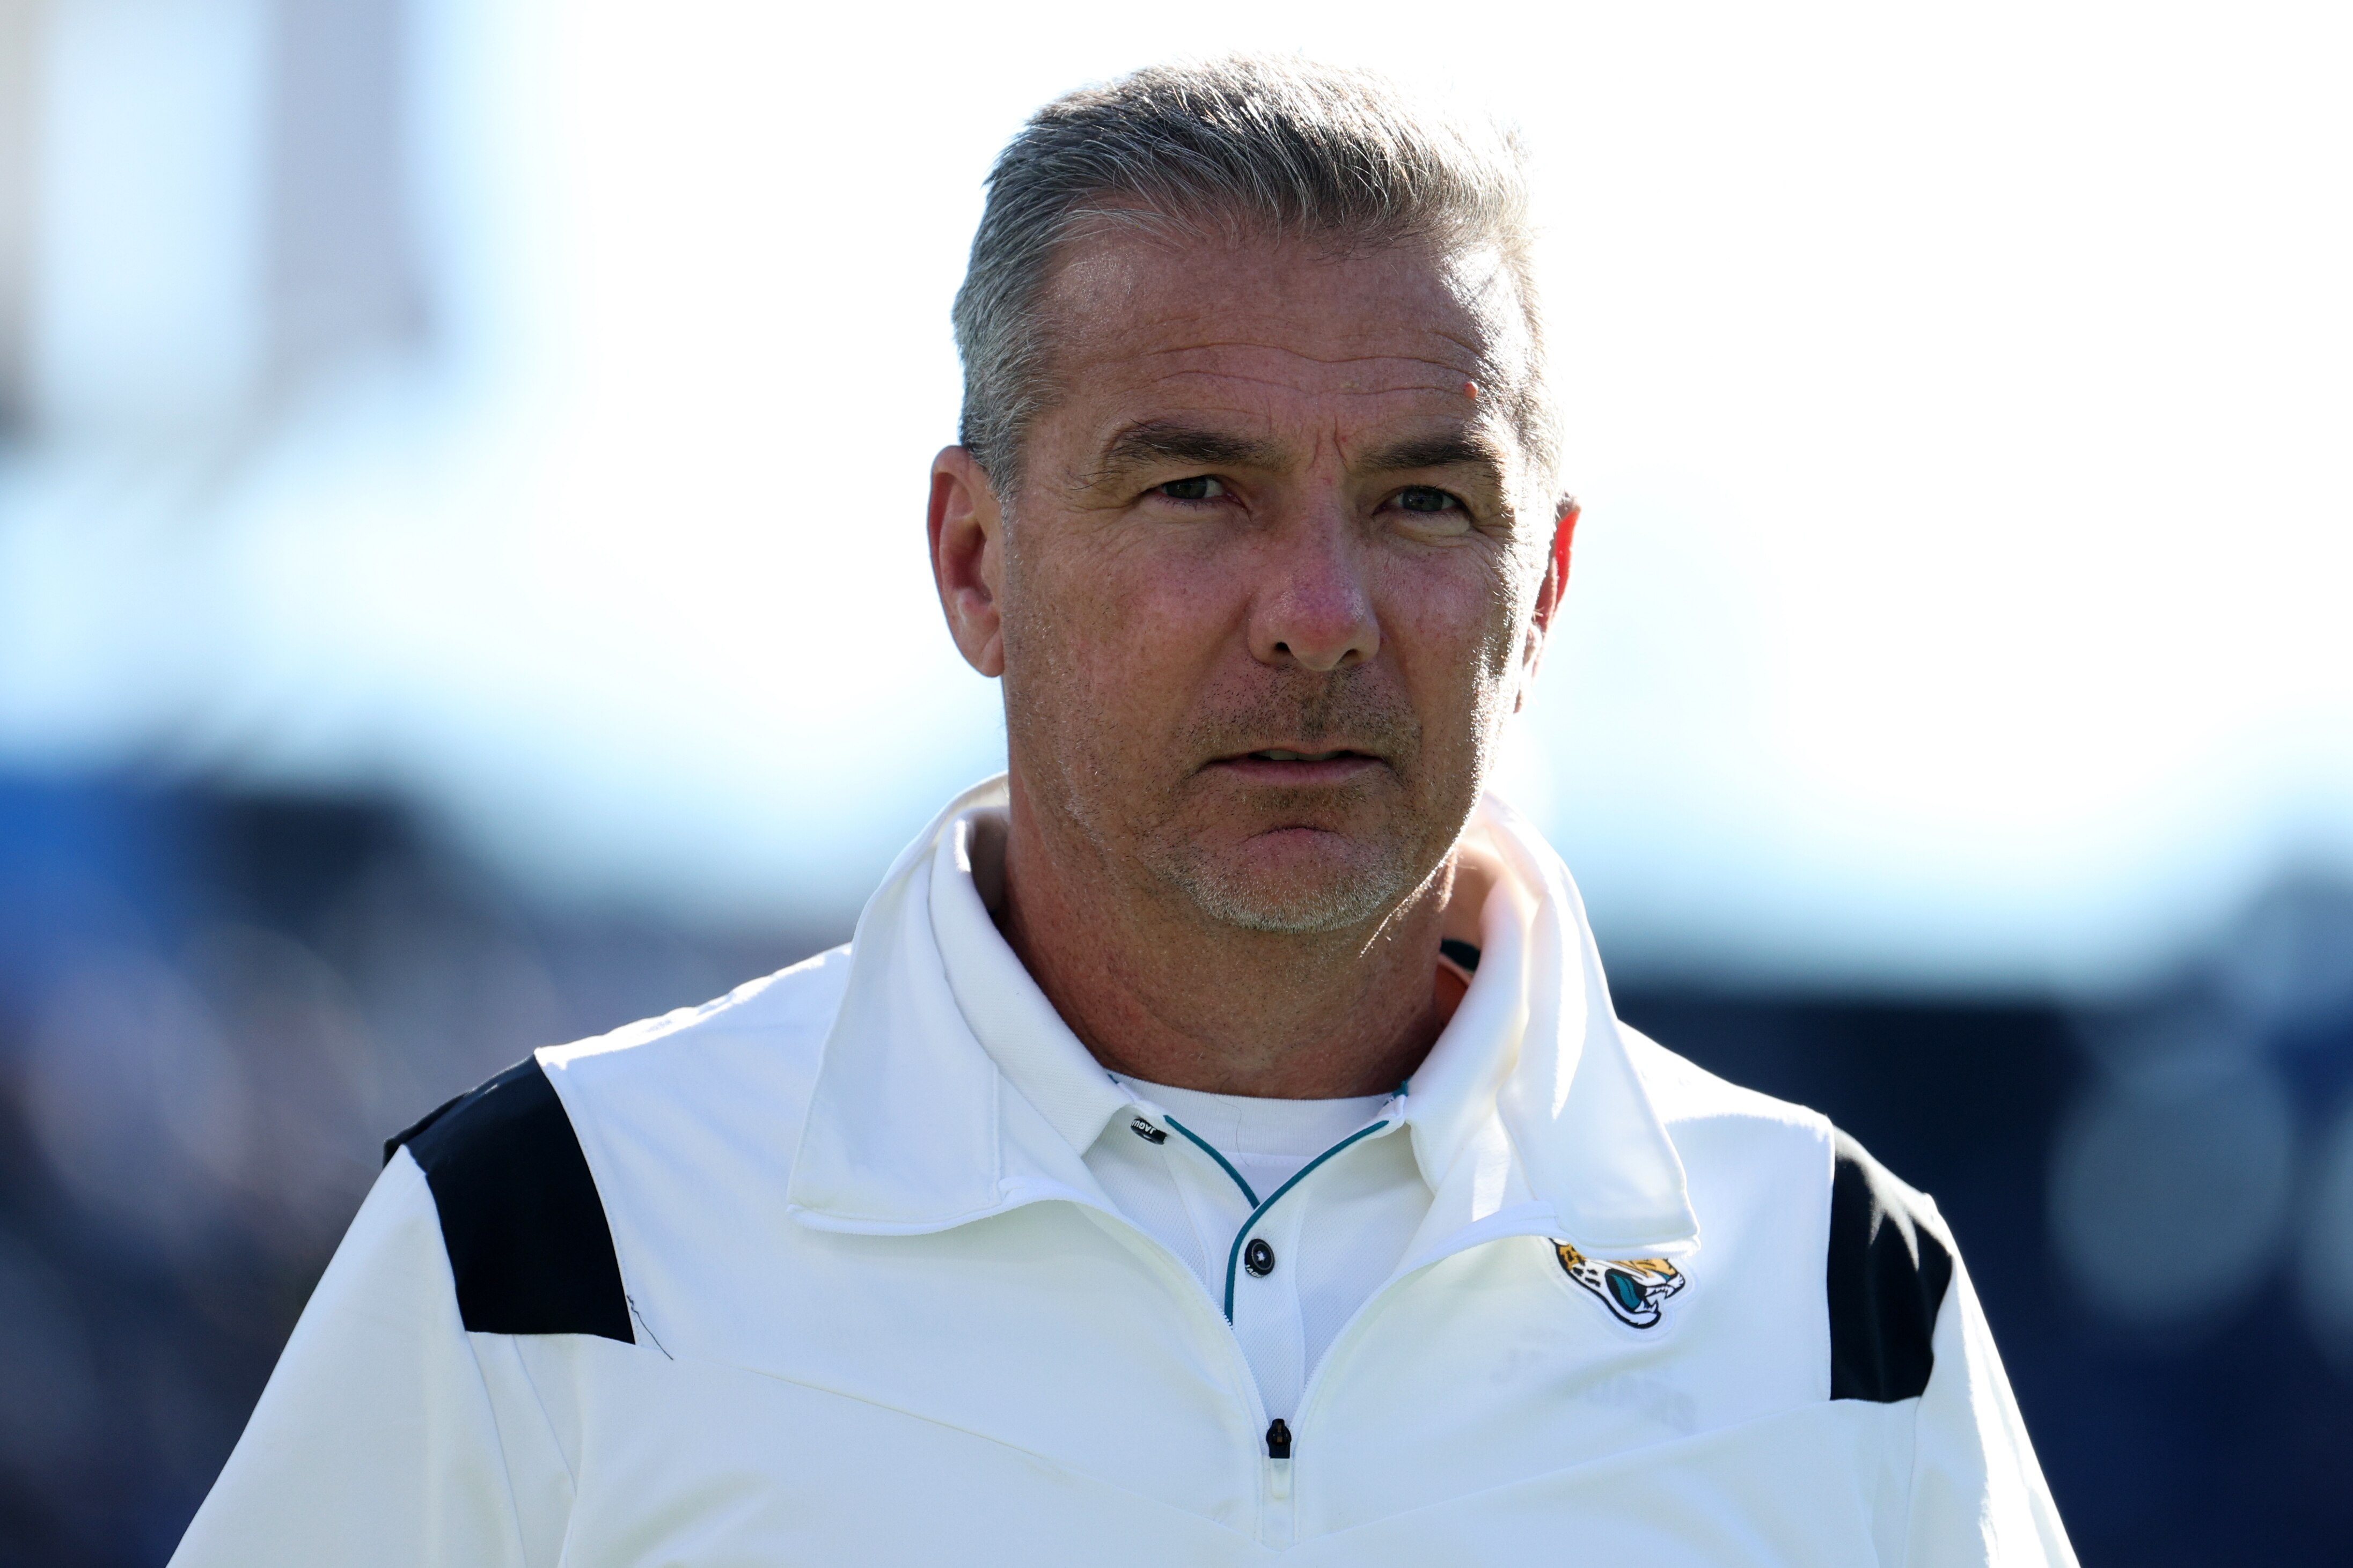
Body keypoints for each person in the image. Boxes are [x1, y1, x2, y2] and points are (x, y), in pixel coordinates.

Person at [172, 55, 2074, 1566]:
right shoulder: (554, 1235)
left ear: (1546, 586)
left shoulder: (1838, 1290)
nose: (1318, 612)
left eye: (1421, 500)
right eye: (1195, 490)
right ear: (974, 559)